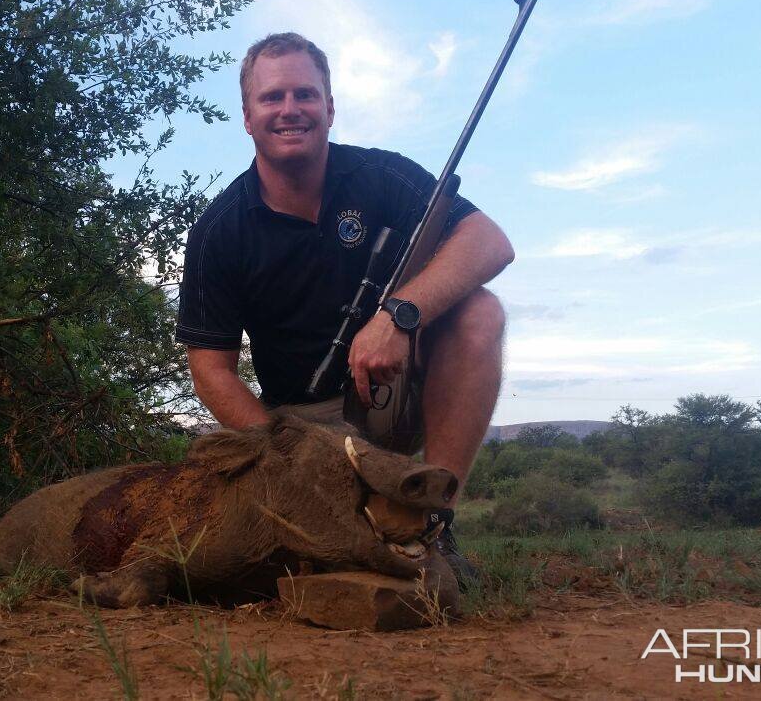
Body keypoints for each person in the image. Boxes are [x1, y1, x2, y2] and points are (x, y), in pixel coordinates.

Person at [175, 33, 514, 582]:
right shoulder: (219, 230)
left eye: (305, 95)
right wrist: (281, 449)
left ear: (329, 108)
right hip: (301, 425)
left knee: (481, 312)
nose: (290, 110)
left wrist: (399, 315)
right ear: (247, 116)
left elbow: (490, 241)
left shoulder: (381, 175)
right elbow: (210, 370)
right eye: (272, 97)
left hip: (395, 398)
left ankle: (435, 525)